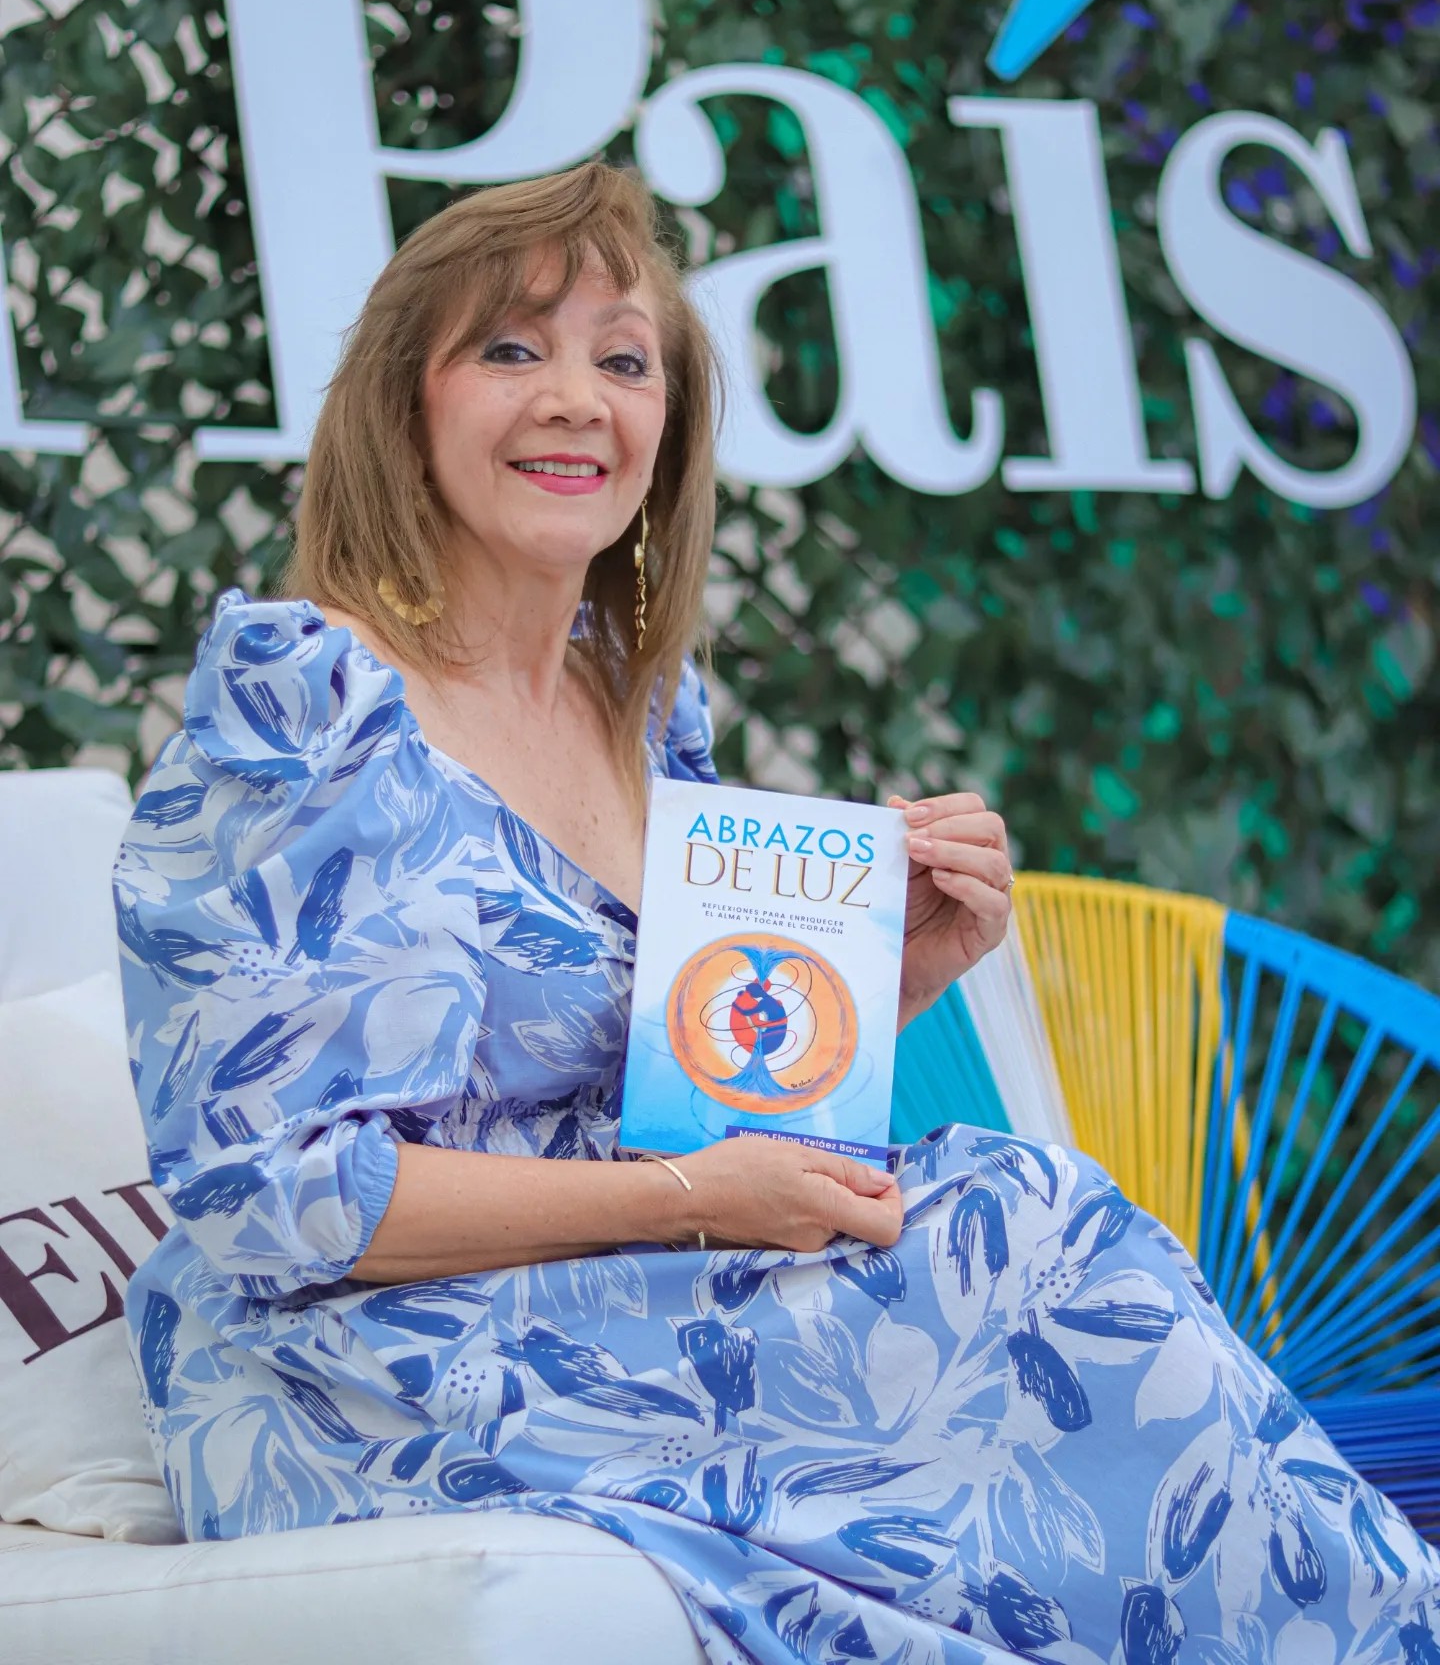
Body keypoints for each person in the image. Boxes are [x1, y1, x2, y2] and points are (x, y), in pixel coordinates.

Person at [113, 162, 1438, 1665]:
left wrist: (891, 978)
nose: (576, 400)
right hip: (356, 1361)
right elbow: (267, 1201)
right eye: (511, 348)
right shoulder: (309, 703)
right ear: (402, 405)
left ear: (667, 430)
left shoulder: (640, 706)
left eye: (626, 362)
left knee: (1033, 1222)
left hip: (621, 1283)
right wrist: (694, 1200)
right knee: (1017, 1226)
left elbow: (679, 1092)